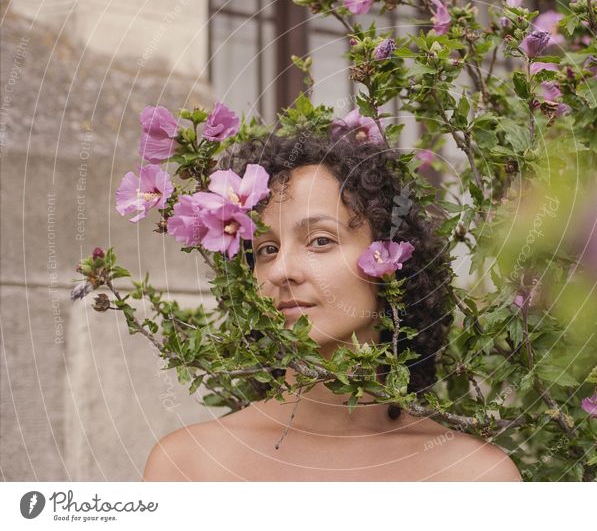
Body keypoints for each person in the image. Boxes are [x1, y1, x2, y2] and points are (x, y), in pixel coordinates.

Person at [142, 129, 522, 481]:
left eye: (320, 240)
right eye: (266, 249)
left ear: (392, 258)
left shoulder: (475, 477)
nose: (282, 271)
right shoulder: (189, 467)